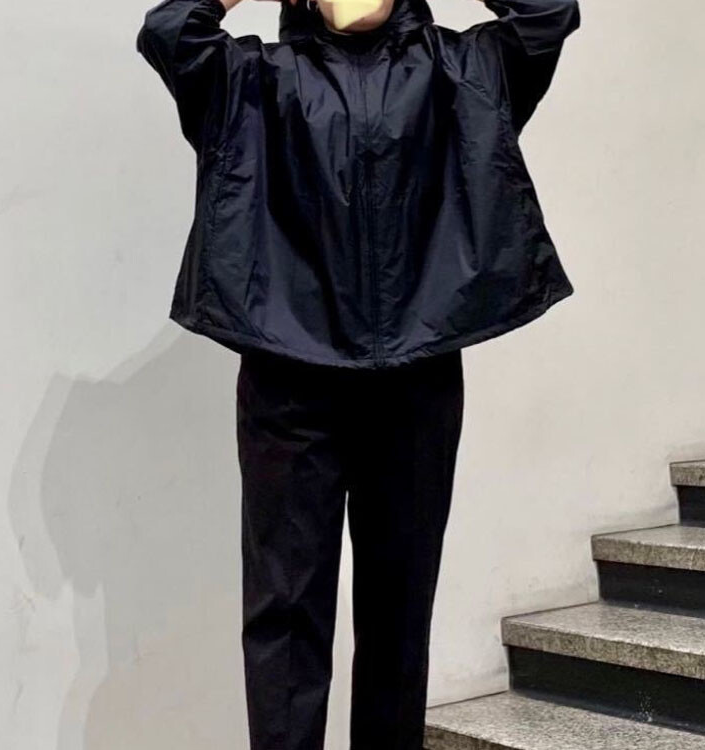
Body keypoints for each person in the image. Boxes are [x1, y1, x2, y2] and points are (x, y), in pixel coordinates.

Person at [136, 0, 580, 746]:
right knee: (285, 614)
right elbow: (171, 31)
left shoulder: (462, 70)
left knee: (399, 611)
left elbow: (547, 14)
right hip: (289, 381)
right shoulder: (253, 80)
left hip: (416, 377)